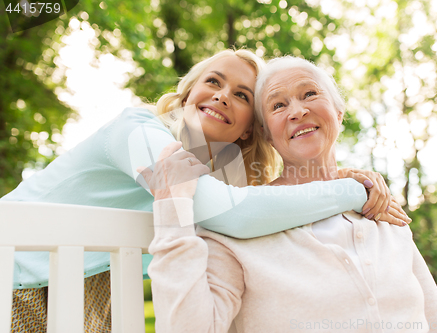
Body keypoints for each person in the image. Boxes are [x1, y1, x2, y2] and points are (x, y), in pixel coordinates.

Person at [2, 49, 408, 332]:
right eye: (213, 82)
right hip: (14, 278)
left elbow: (257, 207)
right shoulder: (136, 130)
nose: (221, 96)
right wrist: (355, 191)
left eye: (242, 95)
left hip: (87, 296)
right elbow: (238, 215)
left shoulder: (225, 178)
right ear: (187, 94)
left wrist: (335, 177)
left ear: (252, 126)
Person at [146, 56, 437, 332]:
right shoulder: (238, 229)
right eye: (278, 105)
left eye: (309, 94)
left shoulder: (382, 211)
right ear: (266, 134)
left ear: (338, 113)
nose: (297, 111)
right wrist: (171, 205)